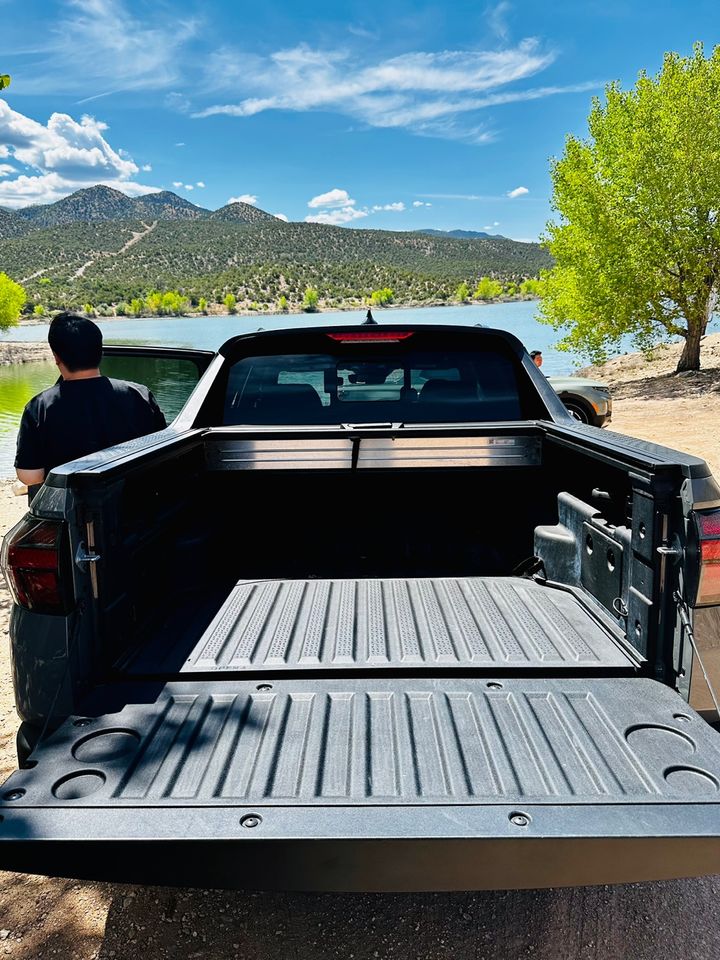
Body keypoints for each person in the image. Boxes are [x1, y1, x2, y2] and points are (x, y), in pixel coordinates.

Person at [15, 312, 167, 498]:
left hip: (70, 509)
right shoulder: (139, 394)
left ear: (56, 357)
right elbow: (164, 451)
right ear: (100, 352)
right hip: (136, 504)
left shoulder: (38, 407)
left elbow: (30, 476)